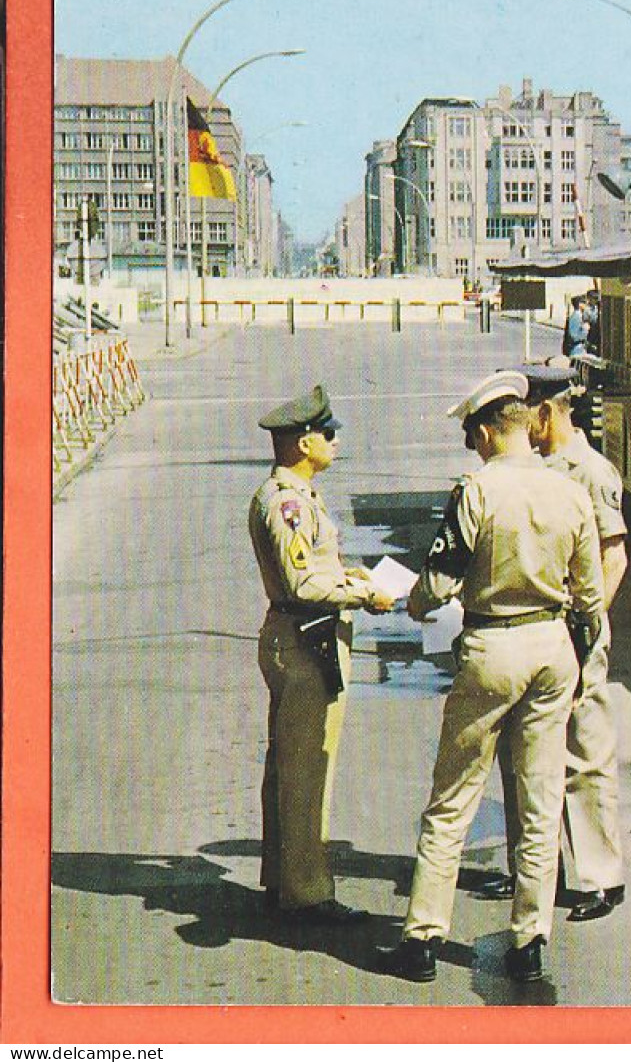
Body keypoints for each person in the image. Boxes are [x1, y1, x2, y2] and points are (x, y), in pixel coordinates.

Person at [380, 372, 605, 985]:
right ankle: (529, 939)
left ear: (486, 431)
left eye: (470, 436)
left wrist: (414, 602)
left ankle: (424, 935)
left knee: (453, 798)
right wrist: (578, 661)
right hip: (552, 646)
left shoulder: (475, 491)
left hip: (492, 646)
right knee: (539, 799)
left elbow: (440, 581)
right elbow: (590, 597)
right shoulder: (571, 491)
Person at [471, 363, 631, 922]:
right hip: (542, 632)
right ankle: (534, 870)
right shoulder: (539, 470)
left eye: (528, 417)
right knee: (526, 754)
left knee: (583, 756)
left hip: (577, 629)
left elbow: (614, 557)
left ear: (547, 412)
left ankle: (599, 876)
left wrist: (587, 625)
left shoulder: (590, 471)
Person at [249, 386, 395, 924]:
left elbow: (313, 568)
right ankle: (306, 893)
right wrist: (363, 593)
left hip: (299, 634)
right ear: (304, 442)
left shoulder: (298, 494)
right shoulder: (287, 501)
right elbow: (301, 582)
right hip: (305, 638)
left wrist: (346, 574)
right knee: (308, 767)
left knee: (289, 763)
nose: (334, 442)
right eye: (327, 434)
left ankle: (283, 878)